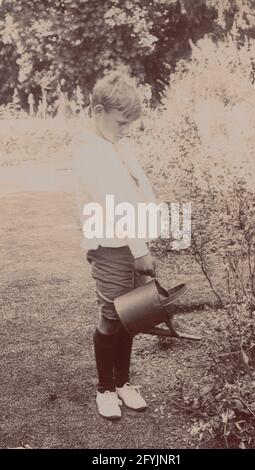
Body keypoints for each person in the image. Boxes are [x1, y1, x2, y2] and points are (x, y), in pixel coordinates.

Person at [73, 71, 159, 420]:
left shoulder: (115, 145)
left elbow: (135, 190)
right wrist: (140, 251)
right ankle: (105, 389)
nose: (126, 129)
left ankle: (123, 383)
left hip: (130, 240)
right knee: (112, 317)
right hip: (111, 246)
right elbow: (112, 204)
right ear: (97, 111)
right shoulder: (89, 152)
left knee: (130, 315)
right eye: (121, 122)